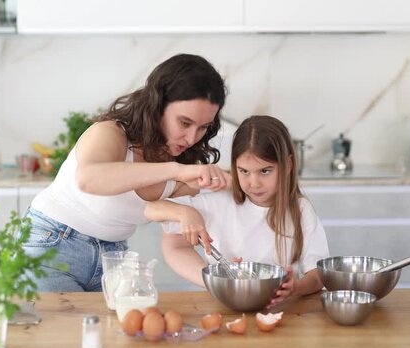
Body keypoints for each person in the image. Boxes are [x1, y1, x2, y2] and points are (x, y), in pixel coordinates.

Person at [24, 54, 231, 292]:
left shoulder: (181, 159)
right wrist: (176, 170)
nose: (193, 138)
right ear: (158, 106)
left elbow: (221, 185)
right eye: (185, 123)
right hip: (52, 247)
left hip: (111, 260)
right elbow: (89, 179)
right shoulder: (111, 133)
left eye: (203, 127)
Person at [145, 115, 329, 306]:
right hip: (224, 308)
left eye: (265, 171)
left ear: (288, 165)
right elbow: (151, 208)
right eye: (244, 171)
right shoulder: (220, 202)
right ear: (235, 167)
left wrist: (296, 287)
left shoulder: (301, 210)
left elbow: (318, 276)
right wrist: (185, 213)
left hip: (283, 313)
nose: (254, 183)